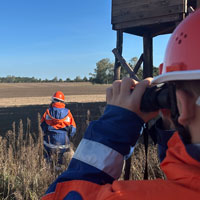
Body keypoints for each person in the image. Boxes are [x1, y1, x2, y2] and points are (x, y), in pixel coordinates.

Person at [42, 9, 200, 200]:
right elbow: (72, 128)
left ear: (180, 103)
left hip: (51, 142)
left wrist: (115, 125)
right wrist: (174, 124)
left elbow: (58, 195)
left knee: (54, 163)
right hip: (63, 141)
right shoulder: (66, 112)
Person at [40, 91, 76, 166]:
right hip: (64, 143)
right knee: (62, 161)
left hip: (49, 143)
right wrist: (68, 136)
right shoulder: (68, 113)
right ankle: (59, 170)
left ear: (53, 101)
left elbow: (42, 126)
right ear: (63, 101)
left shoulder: (47, 112)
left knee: (48, 159)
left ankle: (49, 169)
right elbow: (73, 130)